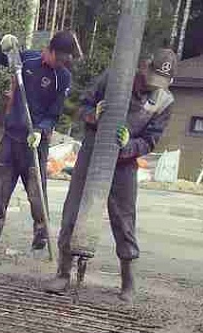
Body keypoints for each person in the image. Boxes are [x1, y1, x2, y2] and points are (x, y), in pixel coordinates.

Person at [45, 48, 177, 300]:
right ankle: (63, 273)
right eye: (152, 79)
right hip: (93, 151)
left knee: (124, 220)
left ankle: (128, 282)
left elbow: (150, 141)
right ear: (145, 66)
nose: (153, 86)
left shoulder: (164, 102)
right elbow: (81, 107)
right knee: (73, 212)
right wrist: (92, 114)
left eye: (160, 83)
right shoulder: (114, 78)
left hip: (124, 162)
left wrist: (129, 145)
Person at [0, 31, 78, 256]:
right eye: (58, 58)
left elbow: (55, 113)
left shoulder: (63, 77)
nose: (60, 63)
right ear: (50, 50)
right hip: (11, 139)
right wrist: (3, 45)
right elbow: (2, 59)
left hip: (35, 144)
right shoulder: (27, 59)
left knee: (37, 197)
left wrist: (40, 130)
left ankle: (39, 243)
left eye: (64, 61)